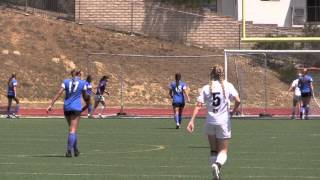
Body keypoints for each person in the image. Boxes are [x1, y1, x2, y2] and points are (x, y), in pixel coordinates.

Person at [187, 65, 240, 180]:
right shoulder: (228, 85)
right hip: (223, 122)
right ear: (222, 74)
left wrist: (192, 120)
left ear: (211, 74)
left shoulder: (206, 88)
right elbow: (238, 100)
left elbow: (198, 106)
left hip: (210, 122)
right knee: (223, 151)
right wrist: (233, 112)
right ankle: (217, 165)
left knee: (213, 150)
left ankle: (215, 175)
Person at [47, 69, 88, 157]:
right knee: (73, 130)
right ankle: (69, 151)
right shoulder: (83, 83)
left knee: (71, 129)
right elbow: (85, 97)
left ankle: (76, 150)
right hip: (76, 108)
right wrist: (88, 105)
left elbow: (59, 93)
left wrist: (51, 105)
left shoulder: (65, 82)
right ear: (79, 74)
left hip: (67, 108)